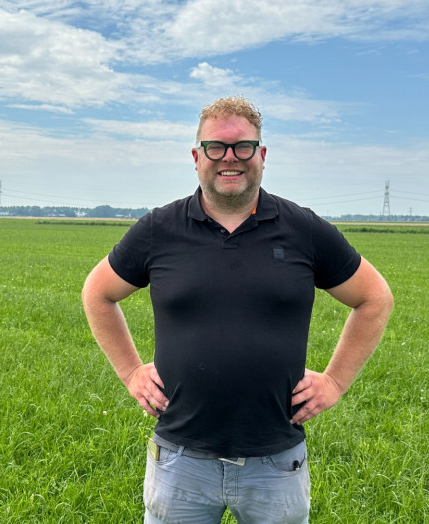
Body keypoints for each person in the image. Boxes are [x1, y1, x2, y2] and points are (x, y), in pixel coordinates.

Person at [82, 96, 393, 523]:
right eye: (216, 147)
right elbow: (97, 293)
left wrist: (336, 381)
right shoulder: (159, 230)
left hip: (276, 461)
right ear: (197, 157)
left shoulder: (303, 229)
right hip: (179, 459)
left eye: (243, 146)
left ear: (262, 155)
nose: (230, 157)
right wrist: (131, 372)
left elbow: (374, 298)